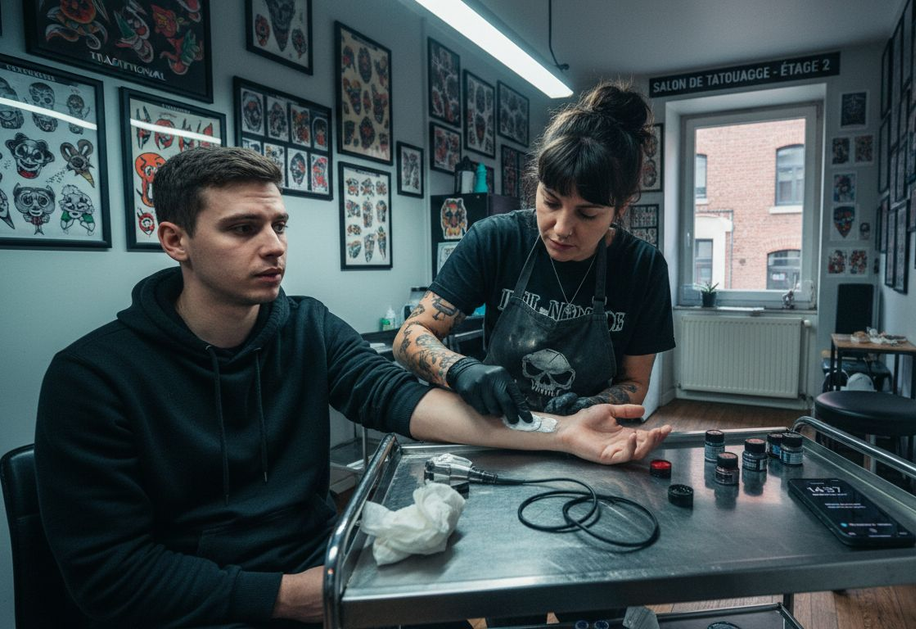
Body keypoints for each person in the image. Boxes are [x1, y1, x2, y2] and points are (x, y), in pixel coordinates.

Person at [34, 147, 671, 628]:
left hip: (322, 568)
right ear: (175, 240)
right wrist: (286, 597)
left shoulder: (307, 326)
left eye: (279, 226)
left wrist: (562, 434)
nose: (273, 247)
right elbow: (110, 576)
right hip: (199, 604)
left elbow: (403, 398)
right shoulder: (92, 379)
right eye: (242, 229)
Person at [395, 82, 675, 426]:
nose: (561, 228)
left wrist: (588, 407)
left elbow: (635, 381)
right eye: (551, 201)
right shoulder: (496, 239)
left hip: (587, 433)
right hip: (497, 429)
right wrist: (459, 368)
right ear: (537, 185)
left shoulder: (642, 268)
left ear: (621, 207)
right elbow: (410, 335)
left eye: (587, 214)